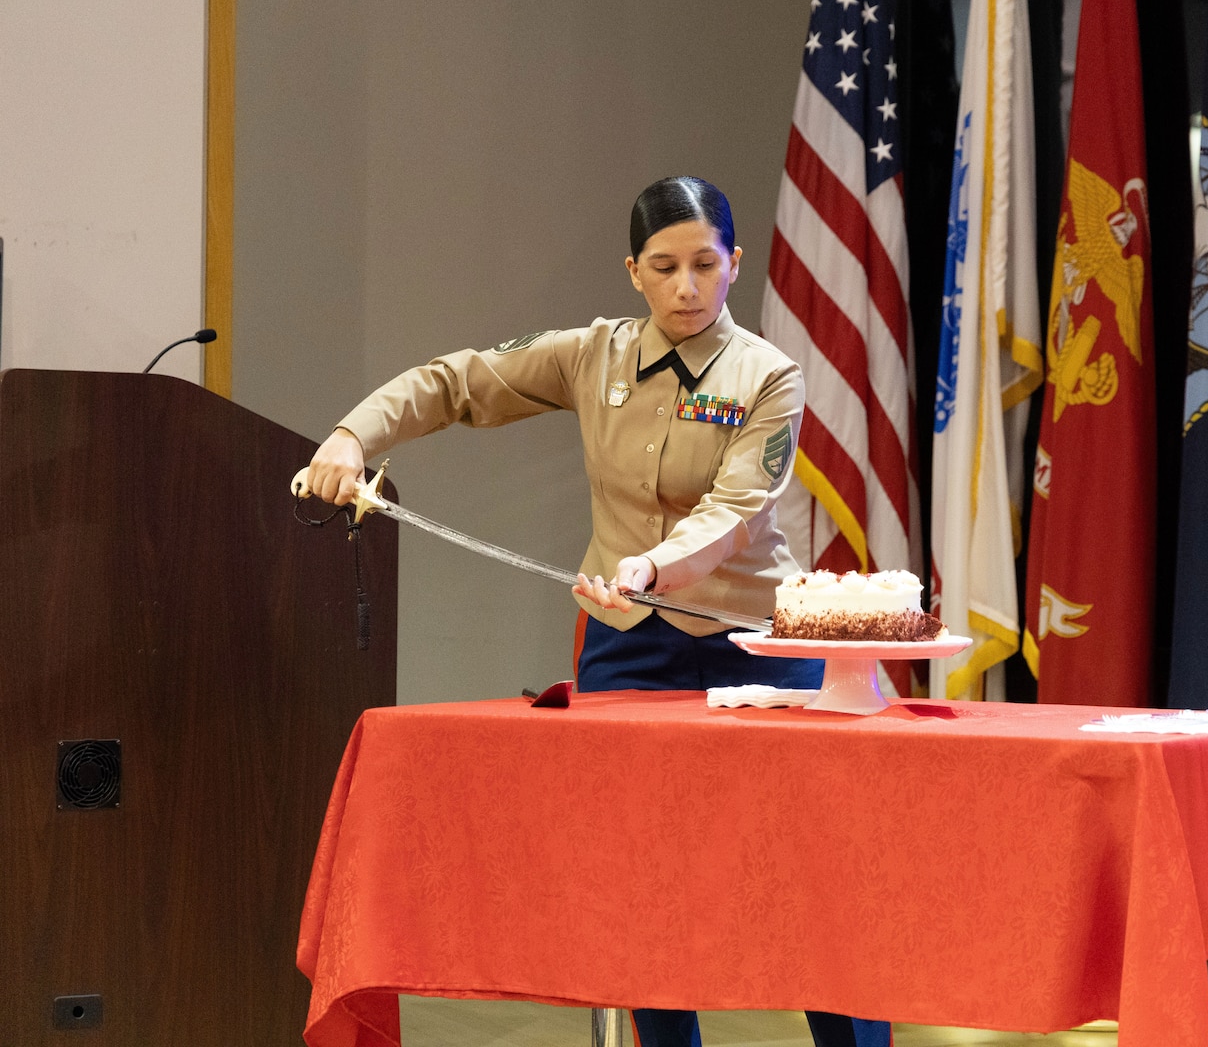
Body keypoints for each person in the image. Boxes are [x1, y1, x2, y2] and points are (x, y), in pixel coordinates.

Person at [301, 176, 888, 1047]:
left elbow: (732, 515)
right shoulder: (592, 355)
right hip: (630, 645)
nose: (686, 287)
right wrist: (355, 436)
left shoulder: (771, 376)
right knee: (645, 883)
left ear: (735, 264)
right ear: (634, 272)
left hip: (759, 651)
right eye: (664, 267)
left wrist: (649, 564)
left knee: (807, 875)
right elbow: (458, 381)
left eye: (704, 264)